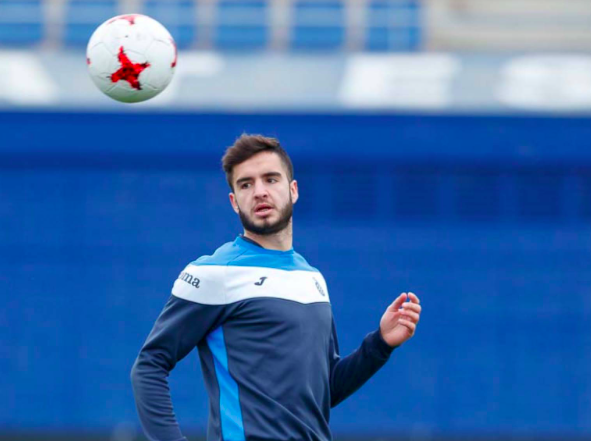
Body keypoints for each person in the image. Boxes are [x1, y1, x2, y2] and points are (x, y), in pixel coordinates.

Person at [131, 134, 422, 441]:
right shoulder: (214, 272)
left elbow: (324, 391)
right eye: (246, 184)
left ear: (293, 190)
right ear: (233, 201)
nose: (259, 192)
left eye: (270, 179)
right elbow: (149, 366)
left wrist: (379, 345)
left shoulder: (312, 279)